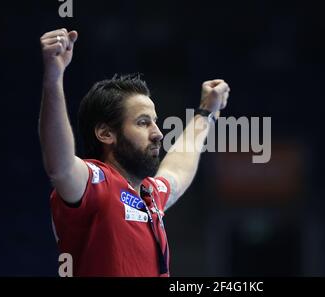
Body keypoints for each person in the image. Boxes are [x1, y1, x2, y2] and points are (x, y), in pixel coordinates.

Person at [39, 28, 230, 276]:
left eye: (154, 121)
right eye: (142, 122)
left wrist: (206, 114)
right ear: (106, 133)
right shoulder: (95, 184)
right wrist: (53, 78)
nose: (158, 133)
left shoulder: (150, 195)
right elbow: (59, 165)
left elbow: (178, 167)